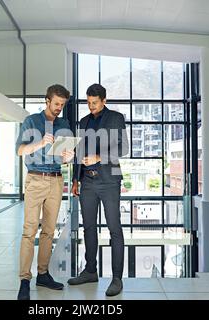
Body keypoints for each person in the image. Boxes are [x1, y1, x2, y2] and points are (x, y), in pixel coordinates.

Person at [68, 83, 129, 297]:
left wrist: (99, 157)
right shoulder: (84, 121)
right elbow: (79, 151)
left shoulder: (116, 118)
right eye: (88, 102)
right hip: (88, 183)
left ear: (104, 100)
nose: (91, 106)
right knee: (89, 228)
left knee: (114, 229)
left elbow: (124, 148)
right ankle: (90, 271)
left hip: (110, 181)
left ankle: (117, 278)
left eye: (94, 103)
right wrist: (75, 179)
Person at [16, 84, 74, 300]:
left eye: (62, 104)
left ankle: (43, 274)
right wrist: (40, 143)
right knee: (29, 231)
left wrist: (68, 157)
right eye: (56, 103)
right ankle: (24, 279)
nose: (59, 107)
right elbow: (20, 150)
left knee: (49, 231)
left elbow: (65, 156)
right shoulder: (31, 121)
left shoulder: (64, 124)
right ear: (47, 101)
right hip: (35, 178)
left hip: (57, 180)